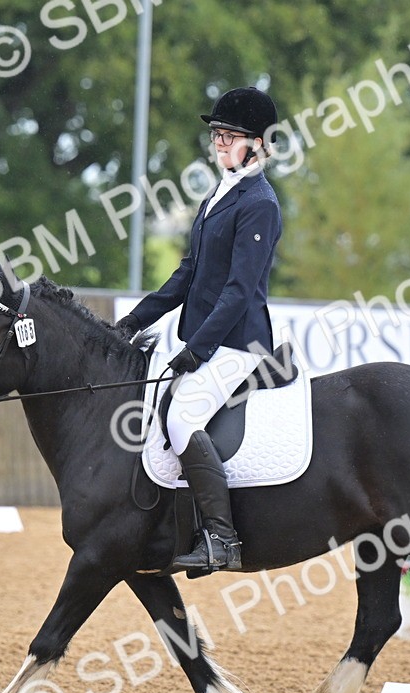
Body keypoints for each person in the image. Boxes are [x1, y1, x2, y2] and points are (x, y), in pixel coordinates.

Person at [115, 86, 282, 572]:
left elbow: (238, 289)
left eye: (229, 136)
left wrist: (198, 349)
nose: (219, 144)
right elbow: (187, 273)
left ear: (257, 143)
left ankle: (222, 539)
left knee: (183, 418)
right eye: (216, 135)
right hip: (208, 336)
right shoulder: (219, 194)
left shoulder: (260, 203)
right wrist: (134, 320)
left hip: (239, 341)